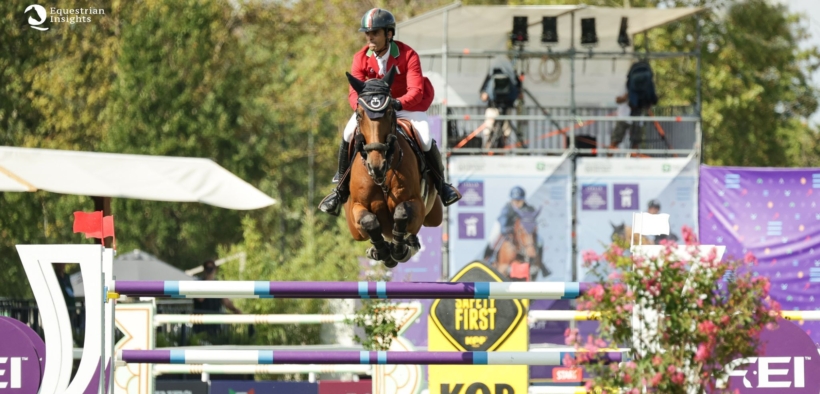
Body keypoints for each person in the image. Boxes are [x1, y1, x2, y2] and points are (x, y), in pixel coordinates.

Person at [318, 8, 461, 216]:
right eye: (367, 33)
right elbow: (353, 94)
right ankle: (340, 190)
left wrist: (396, 104)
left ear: (389, 34)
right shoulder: (360, 58)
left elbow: (416, 91)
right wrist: (365, 108)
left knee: (425, 138)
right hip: (374, 111)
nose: (370, 37)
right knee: (348, 133)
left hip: (406, 107)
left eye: (374, 32)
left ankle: (442, 185)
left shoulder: (408, 55)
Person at [482, 186, 538, 262]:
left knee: (540, 241)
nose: (517, 203)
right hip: (504, 226)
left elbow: (532, 222)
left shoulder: (528, 208)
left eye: (519, 201)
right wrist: (506, 230)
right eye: (515, 200)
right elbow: (503, 223)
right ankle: (488, 258)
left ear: (523, 200)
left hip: (520, 230)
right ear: (511, 200)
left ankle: (540, 264)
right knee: (493, 239)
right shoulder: (507, 208)